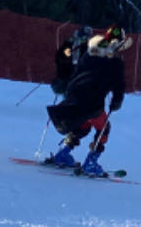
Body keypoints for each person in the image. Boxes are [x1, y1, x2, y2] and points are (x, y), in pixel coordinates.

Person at [44, 25, 129, 175]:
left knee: (83, 125)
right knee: (103, 128)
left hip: (75, 96)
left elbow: (76, 73)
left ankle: (63, 153)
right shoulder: (115, 62)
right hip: (93, 102)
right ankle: (91, 162)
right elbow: (119, 85)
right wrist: (117, 102)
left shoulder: (89, 54)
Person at [51, 25, 92, 96]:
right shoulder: (70, 43)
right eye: (86, 37)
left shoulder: (87, 46)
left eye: (88, 36)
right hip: (67, 78)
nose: (87, 39)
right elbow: (63, 55)